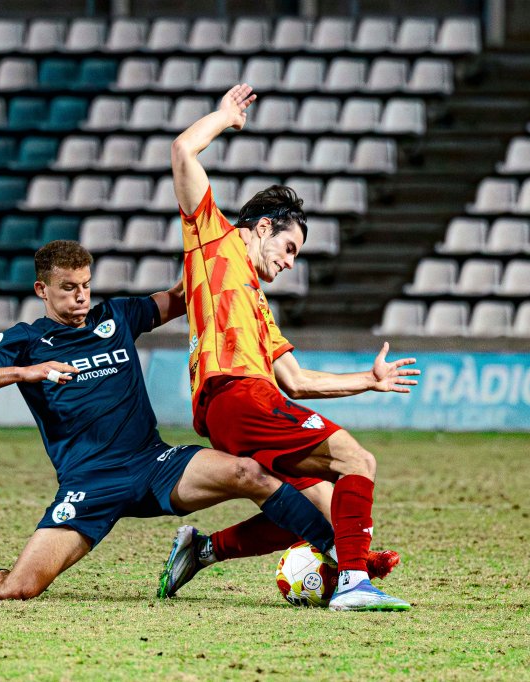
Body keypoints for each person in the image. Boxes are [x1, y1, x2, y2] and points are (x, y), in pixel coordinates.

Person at [0, 240, 341, 601]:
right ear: (42, 290)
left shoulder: (117, 316)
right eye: (69, 287)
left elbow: (184, 296)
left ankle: (337, 554)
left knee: (249, 472)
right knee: (19, 588)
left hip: (154, 464)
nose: (82, 296)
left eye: (86, 285)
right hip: (89, 482)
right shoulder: (26, 341)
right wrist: (26, 371)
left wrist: (231, 246)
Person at [161, 83, 421, 611]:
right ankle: (353, 581)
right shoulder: (214, 242)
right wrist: (224, 118)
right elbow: (184, 150)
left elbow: (298, 381)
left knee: (323, 511)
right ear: (261, 228)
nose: (290, 262)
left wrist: (367, 382)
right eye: (289, 247)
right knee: (357, 460)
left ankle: (202, 549)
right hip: (238, 395)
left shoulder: (258, 307)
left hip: (238, 408)